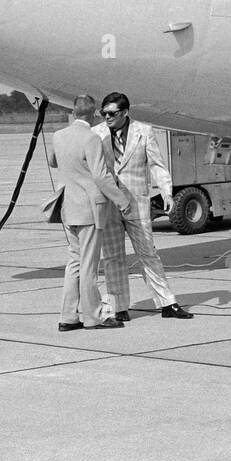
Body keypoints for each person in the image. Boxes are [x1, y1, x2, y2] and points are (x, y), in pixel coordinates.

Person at [92, 92, 194, 320]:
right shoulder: (96, 134)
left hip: (137, 203)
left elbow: (157, 165)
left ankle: (168, 304)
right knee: (112, 256)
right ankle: (119, 308)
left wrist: (166, 192)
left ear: (125, 112)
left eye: (112, 113)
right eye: (103, 113)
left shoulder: (144, 131)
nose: (107, 117)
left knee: (148, 252)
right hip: (109, 204)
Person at [48, 95, 132, 331]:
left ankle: (68, 317)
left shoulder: (58, 136)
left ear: (74, 112)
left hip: (68, 208)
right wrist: (122, 200)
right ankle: (93, 317)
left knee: (74, 262)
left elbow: (53, 162)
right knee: (88, 265)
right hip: (88, 210)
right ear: (94, 113)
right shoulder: (91, 138)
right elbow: (100, 176)